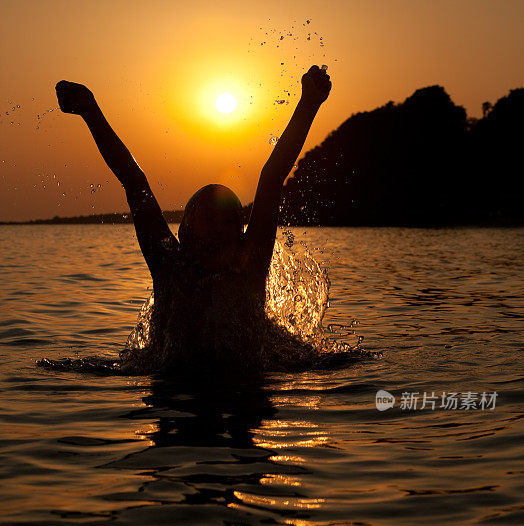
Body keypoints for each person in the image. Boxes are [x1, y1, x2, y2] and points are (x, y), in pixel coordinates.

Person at [55, 66, 331, 374]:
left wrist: (309, 103)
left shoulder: (248, 264)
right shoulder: (168, 265)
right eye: (207, 218)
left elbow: (272, 178)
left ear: (240, 232)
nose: (217, 227)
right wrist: (90, 110)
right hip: (174, 396)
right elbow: (134, 182)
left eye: (228, 220)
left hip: (244, 391)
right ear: (184, 230)